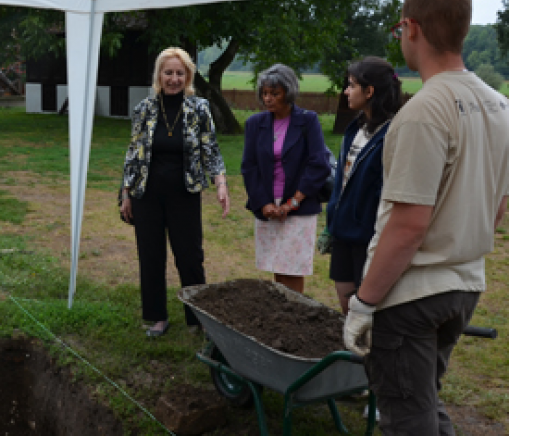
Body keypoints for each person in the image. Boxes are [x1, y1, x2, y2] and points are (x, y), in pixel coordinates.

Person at [342, 0, 509, 435]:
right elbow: (498, 209)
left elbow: (408, 225)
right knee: (423, 407)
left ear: (410, 29)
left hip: (413, 296)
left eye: (399, 30)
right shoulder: (500, 107)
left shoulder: (423, 112)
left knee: (407, 422)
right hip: (463, 288)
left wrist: (363, 303)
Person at [120, 47, 230, 337]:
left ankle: (197, 317)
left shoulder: (199, 109)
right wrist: (125, 193)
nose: (174, 78)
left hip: (184, 194)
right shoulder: (144, 109)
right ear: (159, 75)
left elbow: (212, 150)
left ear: (188, 76)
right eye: (168, 72)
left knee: (190, 256)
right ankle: (156, 316)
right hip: (147, 195)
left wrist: (220, 183)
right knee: (151, 256)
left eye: (180, 73)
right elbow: (133, 153)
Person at [241, 63, 331, 294]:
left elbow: (318, 164)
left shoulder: (307, 121)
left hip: (299, 205)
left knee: (293, 267)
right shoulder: (254, 124)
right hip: (268, 205)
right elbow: (249, 167)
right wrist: (264, 203)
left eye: (274, 94)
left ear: (288, 93)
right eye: (265, 94)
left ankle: (295, 315)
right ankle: (280, 316)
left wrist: (293, 202)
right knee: (276, 265)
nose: (268, 99)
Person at [325, 57, 402, 314]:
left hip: (368, 240)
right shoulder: (354, 129)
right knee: (347, 305)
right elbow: (343, 181)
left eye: (351, 85)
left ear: (369, 91)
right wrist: (331, 223)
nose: (346, 91)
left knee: (369, 310)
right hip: (342, 233)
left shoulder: (393, 135)